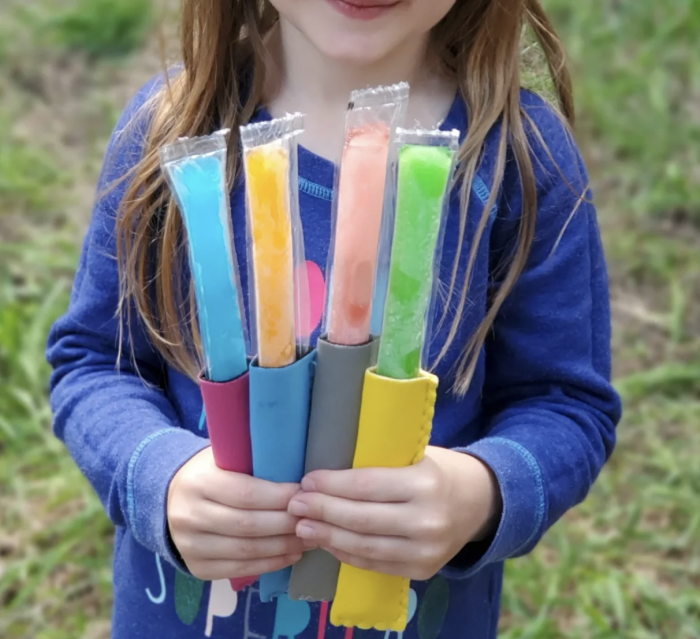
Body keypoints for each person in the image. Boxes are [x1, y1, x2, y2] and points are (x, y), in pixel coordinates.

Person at [46, 0, 622, 637]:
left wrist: (477, 495)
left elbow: (568, 404)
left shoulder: (523, 161)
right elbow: (95, 362)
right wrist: (160, 477)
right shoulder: (166, 132)